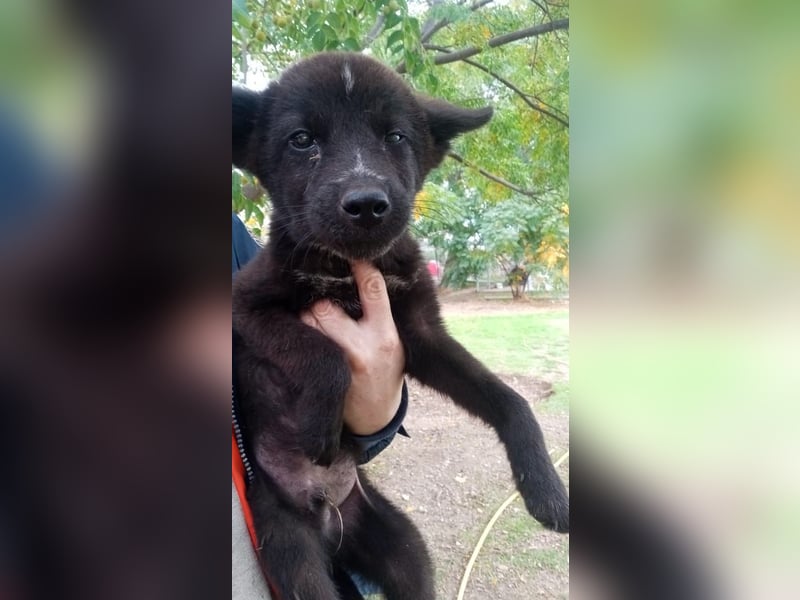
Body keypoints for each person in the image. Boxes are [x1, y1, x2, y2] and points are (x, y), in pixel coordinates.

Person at [231, 214, 407, 599]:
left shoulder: (228, 234)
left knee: (409, 570)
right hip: (275, 516)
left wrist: (377, 418)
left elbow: (341, 343)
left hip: (326, 481)